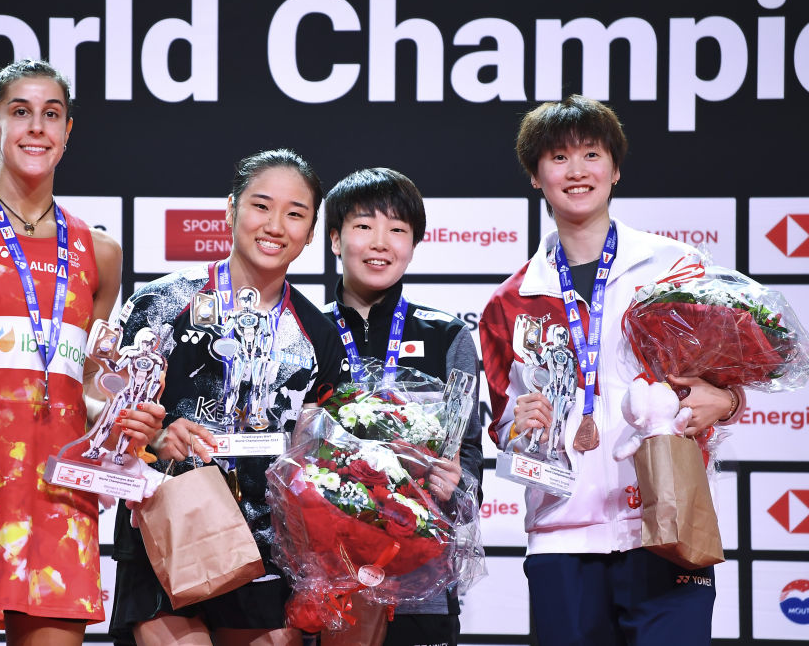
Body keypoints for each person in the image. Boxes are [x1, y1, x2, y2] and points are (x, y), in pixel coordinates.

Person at [0, 59, 164, 645]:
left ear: (68, 131)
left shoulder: (100, 251)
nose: (37, 127)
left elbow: (89, 380)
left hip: (59, 489)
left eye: (52, 114)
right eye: (21, 112)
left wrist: (123, 416)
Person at [479, 95, 745, 645]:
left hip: (668, 520)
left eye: (592, 154)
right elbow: (504, 428)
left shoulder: (673, 268)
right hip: (562, 535)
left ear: (615, 168)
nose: (576, 171)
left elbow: (723, 381)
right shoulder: (509, 302)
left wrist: (730, 401)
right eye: (558, 158)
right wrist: (519, 428)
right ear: (536, 176)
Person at [109, 148, 346, 646]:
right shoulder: (162, 303)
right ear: (231, 208)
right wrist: (154, 437)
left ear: (311, 232)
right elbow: (107, 417)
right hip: (168, 528)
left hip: (267, 544)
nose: (275, 226)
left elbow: (316, 455)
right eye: (261, 206)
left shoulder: (319, 334)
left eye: (295, 214)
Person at [323, 167, 483, 646]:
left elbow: (467, 452)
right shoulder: (307, 332)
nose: (380, 243)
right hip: (326, 578)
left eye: (397, 229)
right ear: (335, 240)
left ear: (413, 245)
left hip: (421, 581)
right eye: (363, 226)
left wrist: (456, 487)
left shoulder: (447, 335)